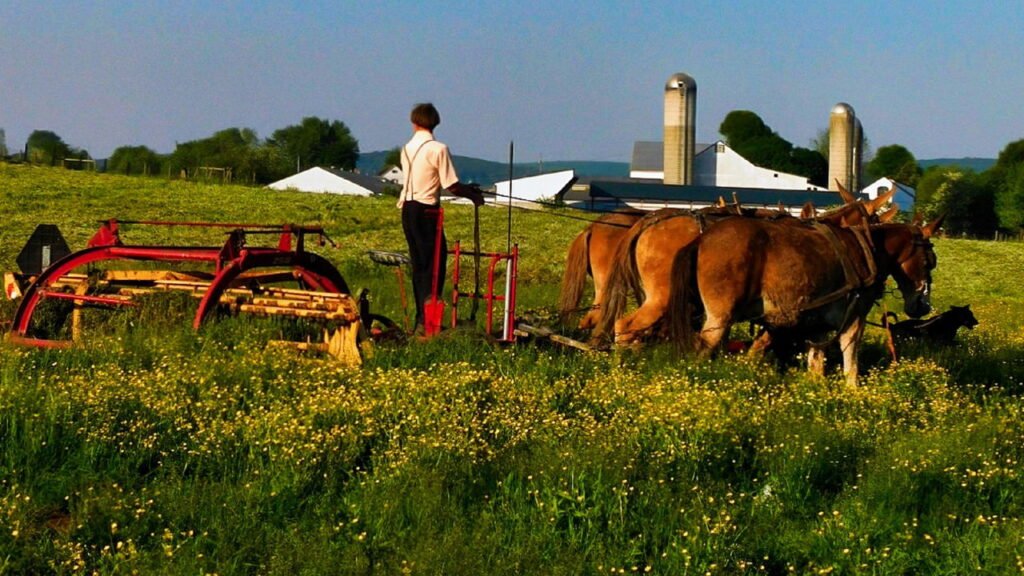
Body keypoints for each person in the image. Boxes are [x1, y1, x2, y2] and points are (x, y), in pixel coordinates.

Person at [399, 102, 484, 334]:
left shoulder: (406, 148)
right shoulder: (438, 149)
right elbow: (452, 185)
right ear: (435, 122)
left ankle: (421, 319)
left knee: (419, 266)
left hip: (407, 209)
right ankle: (431, 322)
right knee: (434, 266)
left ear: (414, 122)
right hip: (427, 211)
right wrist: (473, 195)